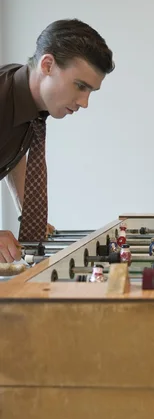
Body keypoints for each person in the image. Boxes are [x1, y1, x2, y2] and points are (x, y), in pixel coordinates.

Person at [0, 19, 114, 263]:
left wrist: (27, 211)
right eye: (80, 86)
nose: (84, 102)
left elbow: (12, 150)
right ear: (48, 65)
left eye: (90, 91)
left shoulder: (28, 99)